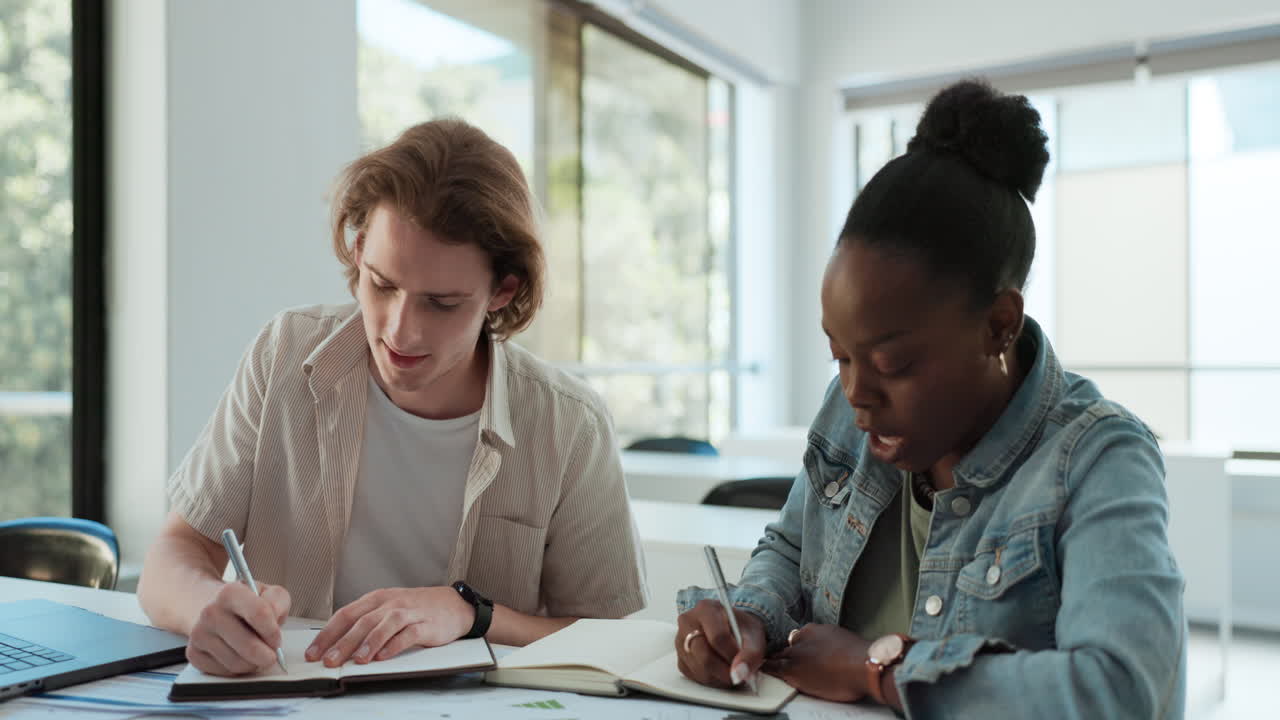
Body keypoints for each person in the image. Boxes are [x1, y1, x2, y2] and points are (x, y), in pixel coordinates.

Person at [674, 80, 1186, 718]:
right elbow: (791, 547)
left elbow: (1120, 690)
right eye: (840, 355)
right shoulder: (848, 405)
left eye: (894, 363)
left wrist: (880, 671)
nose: (857, 394)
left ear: (999, 324)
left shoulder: (1099, 459)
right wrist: (747, 617)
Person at [138, 118, 647, 677]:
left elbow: (611, 641)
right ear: (358, 252)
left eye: (443, 303)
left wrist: (471, 614)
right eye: (382, 285)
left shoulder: (569, 425)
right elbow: (173, 555)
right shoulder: (285, 353)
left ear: (503, 291)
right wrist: (204, 609)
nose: (401, 332)